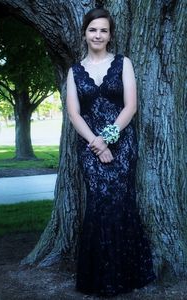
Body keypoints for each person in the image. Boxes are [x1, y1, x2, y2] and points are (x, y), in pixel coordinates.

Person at [66, 7, 156, 297]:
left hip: (122, 146)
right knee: (99, 205)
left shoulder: (123, 63)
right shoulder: (74, 71)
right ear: (84, 33)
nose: (98, 34)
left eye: (103, 30)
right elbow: (74, 114)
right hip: (90, 148)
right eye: (93, 29)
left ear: (110, 35)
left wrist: (107, 139)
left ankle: (128, 275)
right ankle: (98, 278)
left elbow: (130, 106)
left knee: (120, 203)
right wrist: (95, 142)